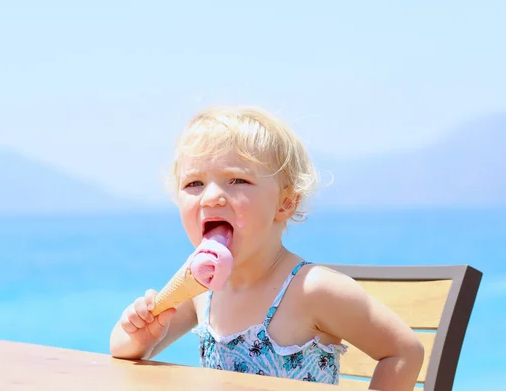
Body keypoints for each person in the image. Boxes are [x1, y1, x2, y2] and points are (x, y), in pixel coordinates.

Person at [109, 106, 424, 390]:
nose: (211, 197)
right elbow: (122, 348)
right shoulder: (199, 284)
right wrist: (141, 334)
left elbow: (403, 351)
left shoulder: (313, 289)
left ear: (285, 203)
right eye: (194, 184)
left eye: (237, 180)